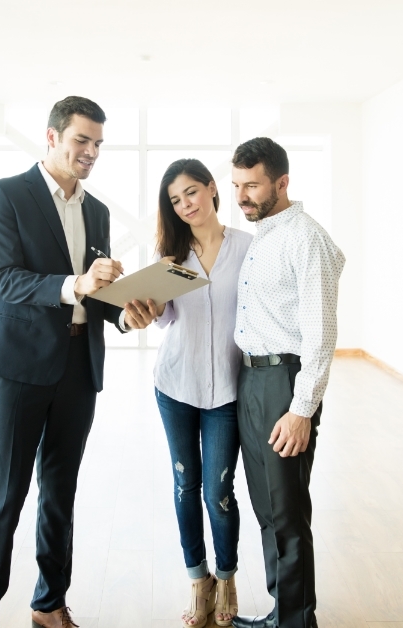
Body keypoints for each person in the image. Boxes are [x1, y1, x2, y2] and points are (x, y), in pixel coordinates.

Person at [0, 96, 130, 628]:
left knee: (61, 493)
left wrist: (128, 314)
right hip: (15, 368)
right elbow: (5, 279)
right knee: (5, 495)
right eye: (82, 140)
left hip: (79, 368)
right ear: (52, 136)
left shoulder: (97, 210)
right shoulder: (6, 195)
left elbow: (98, 296)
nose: (91, 152)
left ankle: (49, 604)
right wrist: (74, 284)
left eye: (98, 143)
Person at [124, 159, 253, 628]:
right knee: (186, 485)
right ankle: (198, 581)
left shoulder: (248, 248)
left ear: (213, 189)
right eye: (175, 201)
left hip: (228, 391)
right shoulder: (171, 259)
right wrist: (151, 305)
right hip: (175, 384)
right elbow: (164, 320)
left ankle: (227, 577)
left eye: (191, 193)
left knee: (219, 491)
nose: (185, 206)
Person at [226, 138, 345, 628]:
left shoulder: (306, 238)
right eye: (236, 185)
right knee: (268, 510)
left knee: (288, 512)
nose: (241, 196)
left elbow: (322, 332)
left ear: (282, 182)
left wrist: (302, 409)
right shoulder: (262, 237)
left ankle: (296, 622)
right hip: (252, 379)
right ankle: (284, 613)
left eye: (251, 185)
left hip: (285, 382)